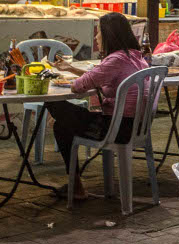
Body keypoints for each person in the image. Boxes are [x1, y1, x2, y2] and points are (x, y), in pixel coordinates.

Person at [49, 12, 149, 200]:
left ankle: (76, 187)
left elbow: (79, 86)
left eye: (99, 33)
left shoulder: (115, 60)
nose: (96, 37)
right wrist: (71, 69)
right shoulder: (136, 57)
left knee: (54, 104)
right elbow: (100, 77)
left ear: (108, 35)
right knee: (62, 123)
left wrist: (65, 78)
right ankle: (75, 185)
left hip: (116, 129)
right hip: (135, 127)